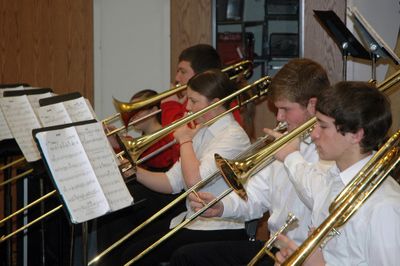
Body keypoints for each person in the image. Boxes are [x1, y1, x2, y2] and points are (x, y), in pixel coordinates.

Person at [170, 58, 331, 265]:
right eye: (277, 109)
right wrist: (221, 207)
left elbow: (322, 203)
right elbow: (255, 197)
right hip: (276, 247)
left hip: (307, 255)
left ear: (312, 104)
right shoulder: (284, 141)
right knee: (186, 257)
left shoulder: (328, 151)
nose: (279, 117)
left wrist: (292, 158)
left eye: (285, 109)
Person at [117, 69, 252, 265]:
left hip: (218, 227)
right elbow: (171, 182)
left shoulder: (233, 137)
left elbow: (195, 183)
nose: (188, 107)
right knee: (128, 242)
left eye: (194, 101)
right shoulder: (203, 130)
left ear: (214, 104)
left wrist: (184, 141)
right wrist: (136, 172)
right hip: (192, 220)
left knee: (134, 256)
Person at [272, 81, 400, 265]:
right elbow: (305, 178)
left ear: (356, 135)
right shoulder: (331, 178)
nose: (314, 134)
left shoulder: (385, 207)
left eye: (323, 126)